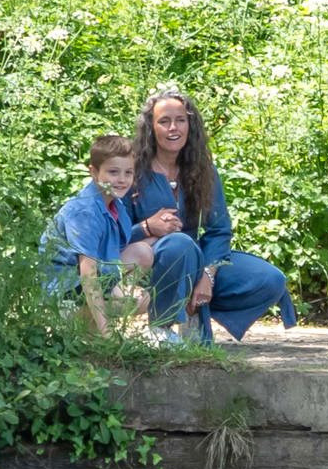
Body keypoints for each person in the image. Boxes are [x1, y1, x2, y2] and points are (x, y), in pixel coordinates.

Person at [126, 88, 296, 343]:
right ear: (151, 127)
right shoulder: (131, 170)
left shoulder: (201, 169)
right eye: (164, 121)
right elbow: (112, 231)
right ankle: (160, 327)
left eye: (180, 120)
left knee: (270, 279)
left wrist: (207, 274)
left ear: (190, 124)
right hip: (148, 265)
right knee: (179, 244)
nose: (174, 128)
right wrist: (147, 227)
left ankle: (192, 308)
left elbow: (218, 229)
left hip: (196, 261)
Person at [40, 134, 154, 335]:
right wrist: (107, 333)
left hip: (98, 273)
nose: (121, 179)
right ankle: (82, 323)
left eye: (128, 173)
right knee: (135, 299)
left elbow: (112, 254)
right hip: (65, 285)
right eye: (113, 172)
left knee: (143, 253)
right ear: (94, 172)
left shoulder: (116, 206)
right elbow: (88, 272)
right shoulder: (84, 213)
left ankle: (91, 321)